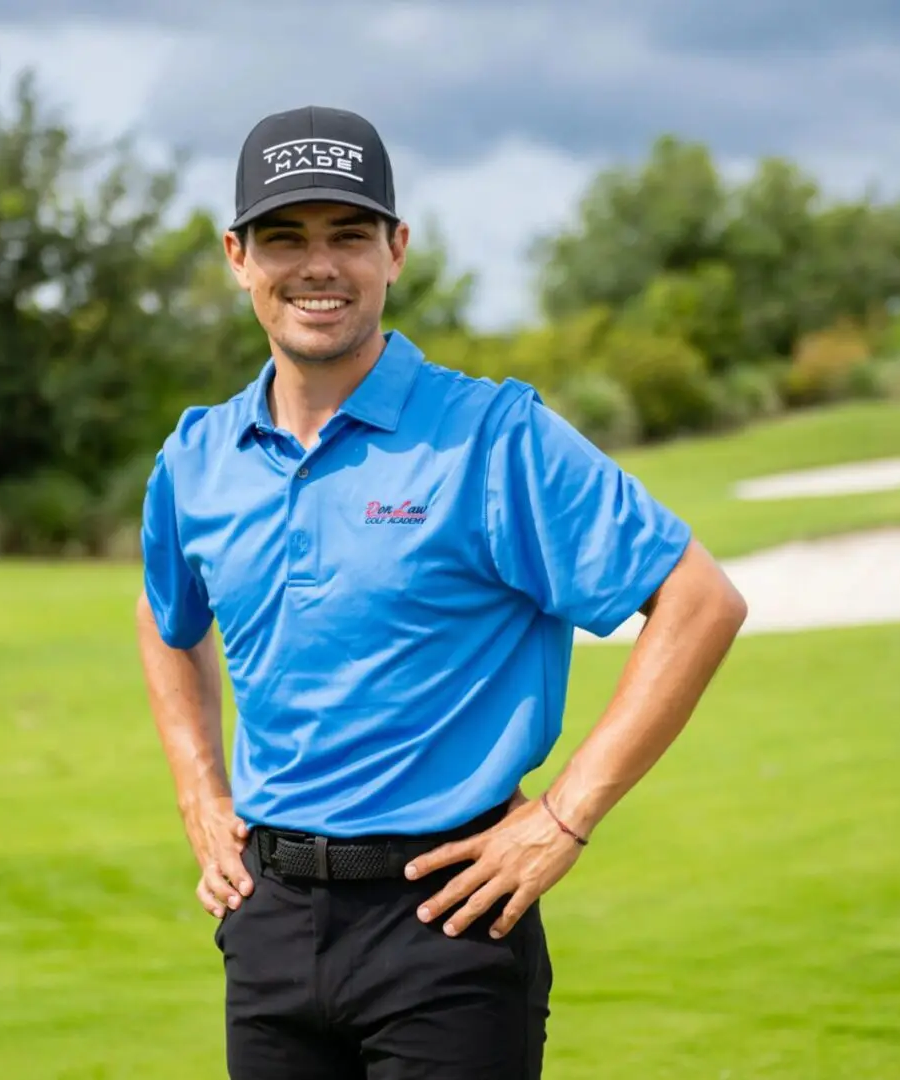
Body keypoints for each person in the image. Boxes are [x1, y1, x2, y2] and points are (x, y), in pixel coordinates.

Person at [135, 104, 748, 1079]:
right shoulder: (197, 457)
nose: (319, 266)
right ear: (237, 256)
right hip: (270, 923)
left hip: (448, 921)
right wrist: (197, 792)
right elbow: (167, 616)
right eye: (285, 238)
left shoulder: (495, 437)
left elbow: (699, 600)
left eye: (349, 235)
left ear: (397, 249)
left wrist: (563, 817)